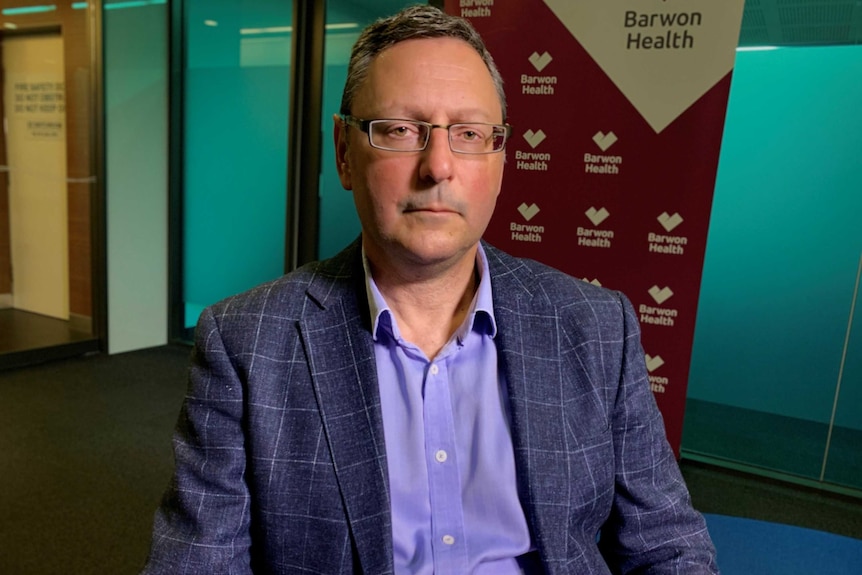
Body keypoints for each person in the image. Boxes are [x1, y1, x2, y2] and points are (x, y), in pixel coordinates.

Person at [142, 5, 718, 574]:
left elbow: (666, 544)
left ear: (500, 159)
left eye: (469, 133)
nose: (438, 166)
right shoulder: (245, 344)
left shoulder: (595, 326)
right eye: (401, 130)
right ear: (344, 152)